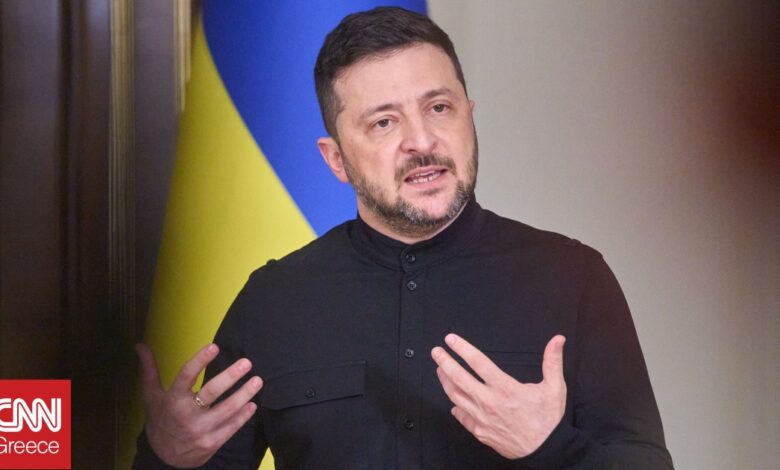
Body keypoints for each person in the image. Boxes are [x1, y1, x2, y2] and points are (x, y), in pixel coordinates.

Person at [134, 7, 674, 469]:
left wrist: (550, 449)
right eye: (384, 123)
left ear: (469, 117)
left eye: (439, 108)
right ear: (336, 159)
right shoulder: (273, 300)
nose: (422, 141)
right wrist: (164, 457)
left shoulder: (572, 279)